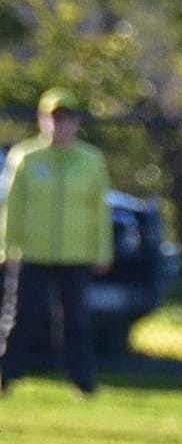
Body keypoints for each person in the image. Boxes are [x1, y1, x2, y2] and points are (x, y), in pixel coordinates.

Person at [0, 89, 113, 395]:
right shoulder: (26, 157)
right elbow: (12, 206)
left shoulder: (91, 160)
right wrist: (8, 247)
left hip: (75, 253)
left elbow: (99, 211)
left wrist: (102, 252)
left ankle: (82, 381)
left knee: (76, 319)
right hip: (32, 252)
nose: (59, 125)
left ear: (77, 123)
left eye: (66, 119)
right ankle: (6, 375)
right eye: (53, 118)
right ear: (41, 120)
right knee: (21, 315)